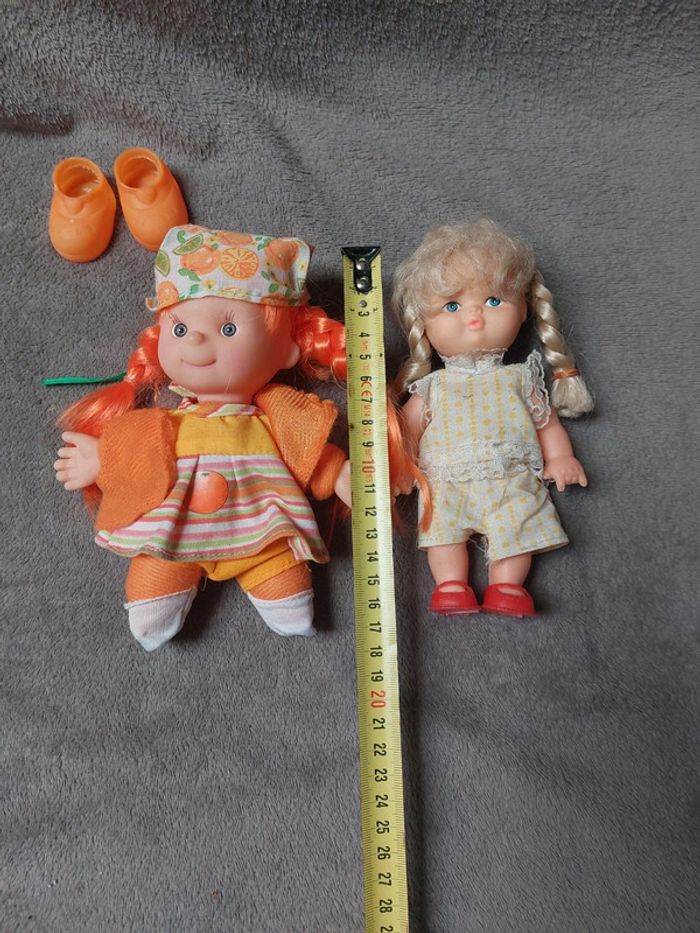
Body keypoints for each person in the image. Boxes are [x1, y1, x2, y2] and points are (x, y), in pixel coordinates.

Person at [54, 224, 357, 649]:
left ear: (287, 349)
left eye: (229, 330)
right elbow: (142, 446)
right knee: (153, 582)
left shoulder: (279, 416)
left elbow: (305, 452)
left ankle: (282, 597)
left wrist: (339, 474)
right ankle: (160, 597)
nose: (195, 338)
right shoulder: (169, 422)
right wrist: (103, 458)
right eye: (179, 330)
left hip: (262, 528)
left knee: (287, 592)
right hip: (173, 532)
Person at [393, 217, 593, 618]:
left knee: (517, 530)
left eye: (494, 301)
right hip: (447, 482)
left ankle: (508, 586)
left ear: (524, 309)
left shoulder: (520, 378)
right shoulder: (433, 386)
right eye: (451, 306)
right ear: (424, 324)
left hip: (510, 477)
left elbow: (547, 423)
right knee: (443, 534)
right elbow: (409, 430)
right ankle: (450, 585)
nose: (475, 317)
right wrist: (400, 467)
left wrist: (560, 457)